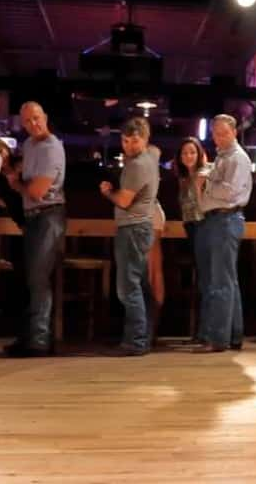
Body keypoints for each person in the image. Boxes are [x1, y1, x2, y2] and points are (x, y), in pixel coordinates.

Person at [3, 102, 66, 358]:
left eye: (36, 118)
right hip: (34, 216)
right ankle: (30, 336)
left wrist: (15, 181)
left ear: (46, 116)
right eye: (27, 121)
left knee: (38, 278)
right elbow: (26, 189)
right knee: (30, 278)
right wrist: (13, 177)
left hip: (49, 216)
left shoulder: (52, 147)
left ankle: (39, 341)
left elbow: (38, 191)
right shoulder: (29, 146)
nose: (33, 124)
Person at [99, 117, 158, 356]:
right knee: (139, 285)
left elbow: (124, 201)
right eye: (125, 140)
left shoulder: (136, 165)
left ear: (144, 139)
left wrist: (108, 192)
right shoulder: (150, 158)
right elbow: (156, 150)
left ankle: (136, 340)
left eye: (134, 141)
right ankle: (142, 336)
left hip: (132, 228)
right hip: (142, 227)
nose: (129, 146)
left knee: (127, 288)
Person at [193, 114, 252, 353]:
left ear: (234, 133)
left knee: (221, 282)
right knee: (228, 281)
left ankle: (218, 339)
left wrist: (206, 184)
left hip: (226, 219)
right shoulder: (222, 157)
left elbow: (229, 193)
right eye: (216, 133)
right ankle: (234, 334)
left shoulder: (237, 158)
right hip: (219, 218)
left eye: (224, 133)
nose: (219, 137)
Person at [174, 137, 210, 340]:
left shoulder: (203, 173)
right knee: (200, 280)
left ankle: (206, 331)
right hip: (190, 228)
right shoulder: (183, 178)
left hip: (203, 226)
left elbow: (205, 204)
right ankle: (200, 330)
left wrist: (199, 184)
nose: (188, 156)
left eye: (192, 152)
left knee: (206, 280)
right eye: (184, 153)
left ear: (199, 154)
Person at [147, 146, 166, 340]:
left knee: (151, 270)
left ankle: (150, 325)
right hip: (152, 211)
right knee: (153, 270)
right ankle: (151, 324)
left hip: (150, 213)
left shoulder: (146, 159)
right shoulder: (150, 157)